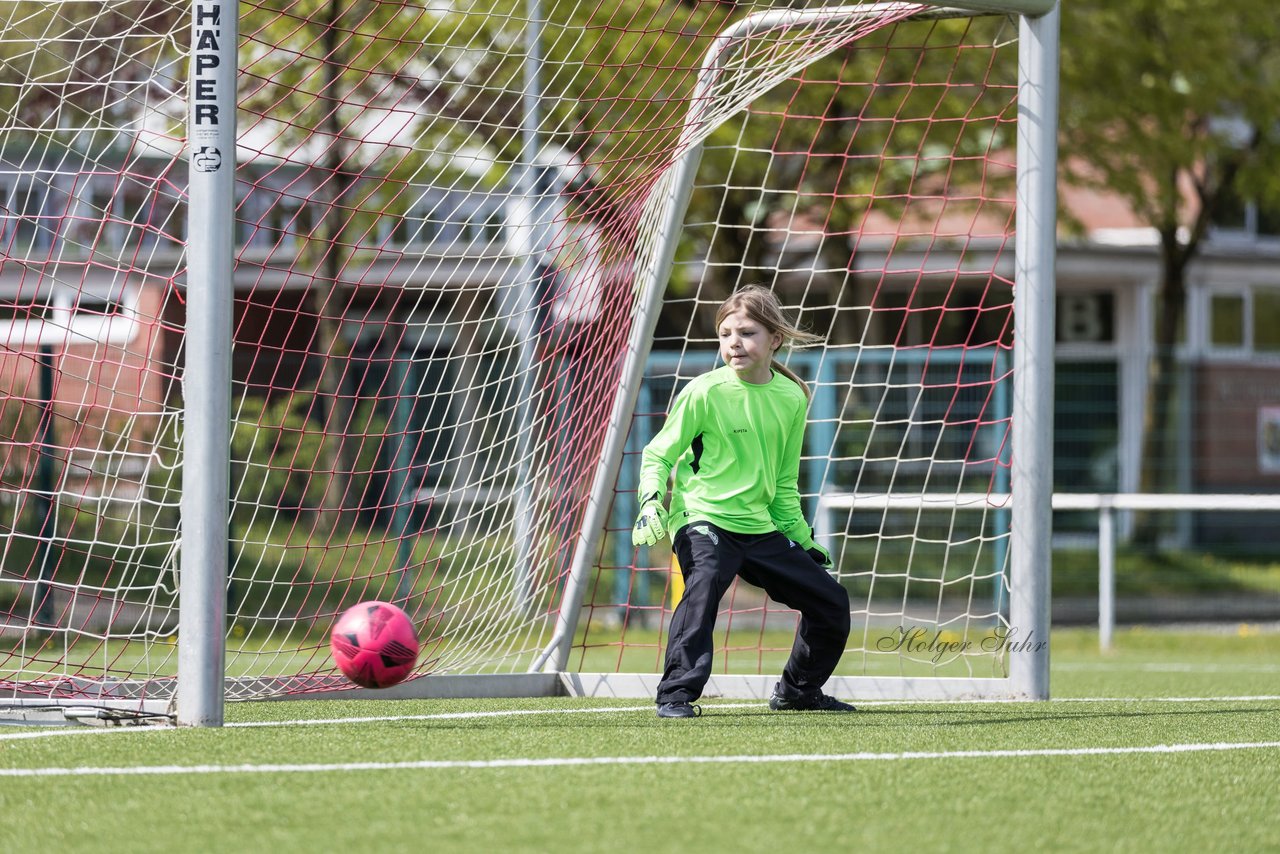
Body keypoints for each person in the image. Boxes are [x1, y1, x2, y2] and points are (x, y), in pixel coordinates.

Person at [632, 285, 854, 719]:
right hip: (702, 519)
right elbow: (658, 454)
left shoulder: (792, 398)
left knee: (831, 602)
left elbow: (784, 481)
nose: (734, 342)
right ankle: (675, 694)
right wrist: (650, 502)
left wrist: (800, 537)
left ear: (775, 340)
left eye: (747, 332)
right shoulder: (704, 392)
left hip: (758, 526)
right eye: (726, 333)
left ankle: (798, 691)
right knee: (704, 584)